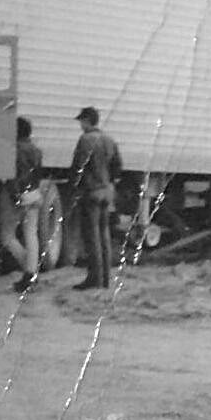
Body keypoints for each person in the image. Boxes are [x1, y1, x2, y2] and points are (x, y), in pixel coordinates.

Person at [70, 106, 123, 290]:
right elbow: (118, 167)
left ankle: (94, 279)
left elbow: (78, 167)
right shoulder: (109, 140)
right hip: (106, 192)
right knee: (104, 235)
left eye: (81, 121)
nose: (80, 125)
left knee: (92, 237)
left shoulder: (85, 140)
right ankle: (106, 279)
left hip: (91, 192)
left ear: (86, 121)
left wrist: (75, 188)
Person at [0, 116, 43, 292]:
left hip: (15, 194)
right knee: (31, 234)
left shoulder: (12, 150)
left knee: (7, 236)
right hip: (34, 194)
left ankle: (29, 270)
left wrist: (14, 194)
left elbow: (12, 175)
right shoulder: (36, 150)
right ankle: (31, 272)